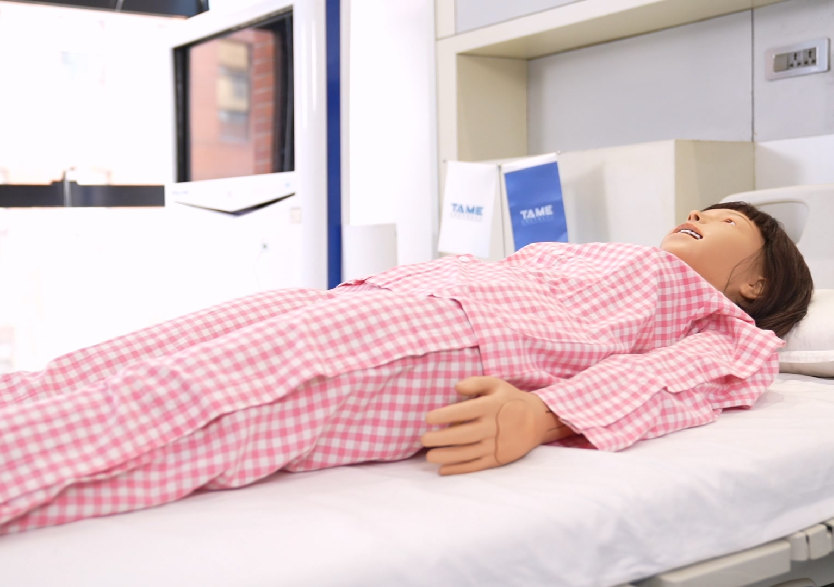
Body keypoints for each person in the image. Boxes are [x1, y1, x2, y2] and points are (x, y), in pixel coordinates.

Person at [0, 202, 813, 534]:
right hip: (379, 297)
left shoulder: (730, 329)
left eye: (726, 218)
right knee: (136, 354)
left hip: (447, 337)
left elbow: (673, 382)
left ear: (757, 280)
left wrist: (542, 415)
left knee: (193, 398)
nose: (698, 212)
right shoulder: (606, 253)